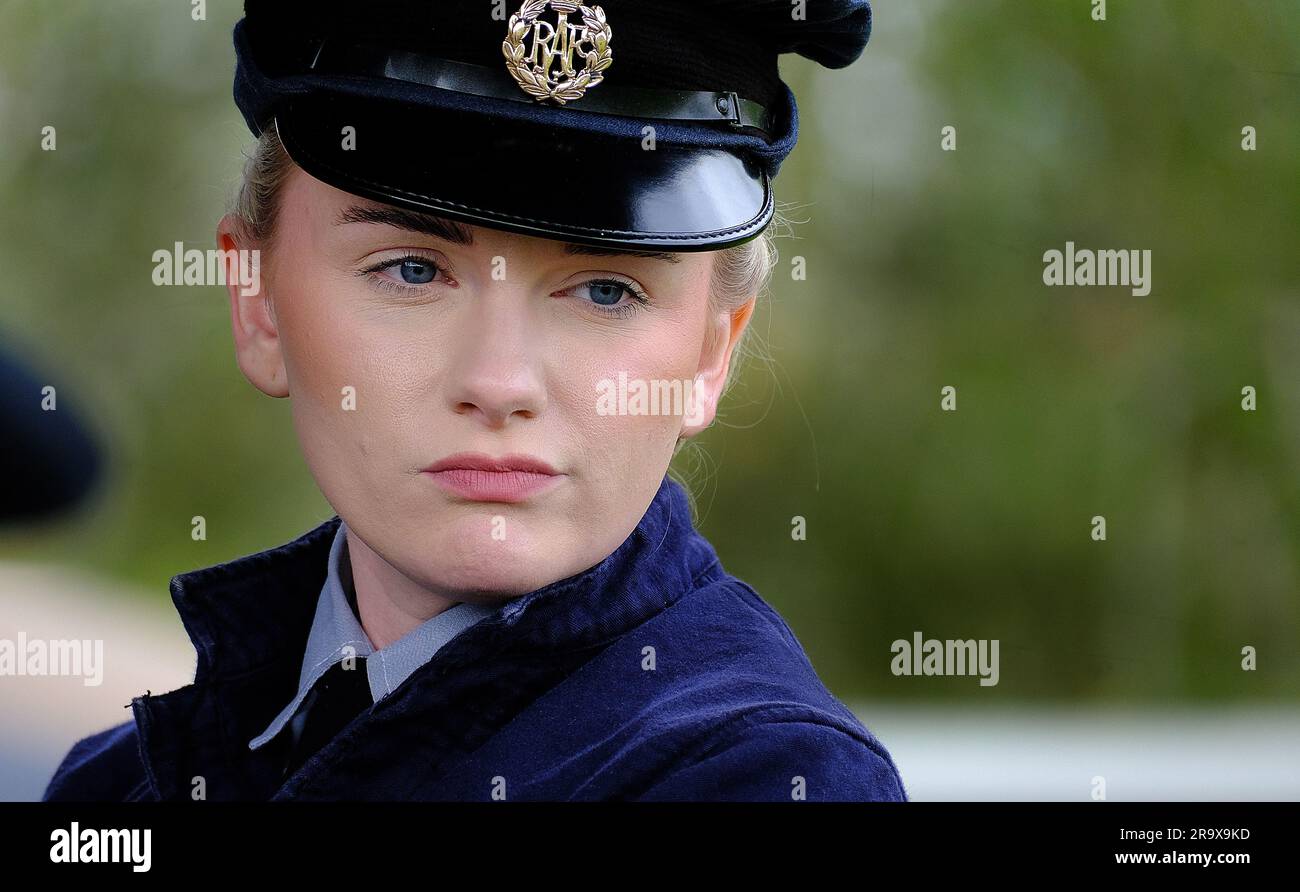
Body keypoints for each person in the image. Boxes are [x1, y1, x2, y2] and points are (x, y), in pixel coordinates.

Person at [42, 0, 906, 801]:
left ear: (713, 354)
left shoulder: (767, 779)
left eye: (605, 290)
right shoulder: (111, 792)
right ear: (258, 302)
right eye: (412, 271)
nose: (499, 383)